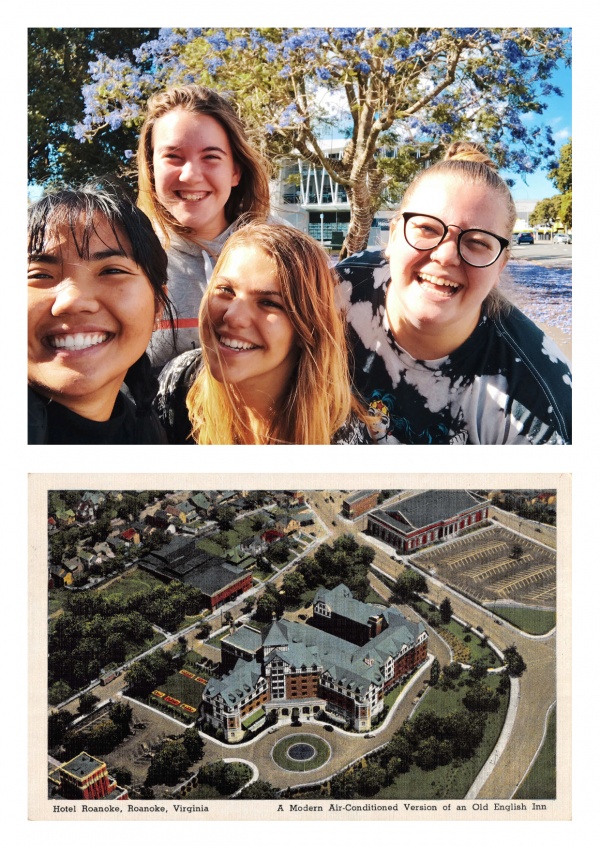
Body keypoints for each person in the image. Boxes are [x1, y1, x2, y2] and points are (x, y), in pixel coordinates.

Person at [336, 141, 572, 444]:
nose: (446, 256)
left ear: (500, 265)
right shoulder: (340, 289)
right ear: (394, 236)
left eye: (477, 241)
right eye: (427, 229)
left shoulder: (538, 404)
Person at [155, 222, 369, 444]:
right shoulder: (178, 382)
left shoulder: (339, 437)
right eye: (226, 290)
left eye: (269, 303)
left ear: (307, 327)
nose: (233, 316)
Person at [137, 84, 271, 368]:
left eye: (211, 157)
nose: (191, 175)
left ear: (235, 171)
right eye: (173, 157)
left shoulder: (282, 254)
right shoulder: (126, 259)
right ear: (151, 168)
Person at [28, 186, 174, 444]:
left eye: (111, 271)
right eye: (40, 275)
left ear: (157, 307)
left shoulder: (149, 433)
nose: (72, 301)